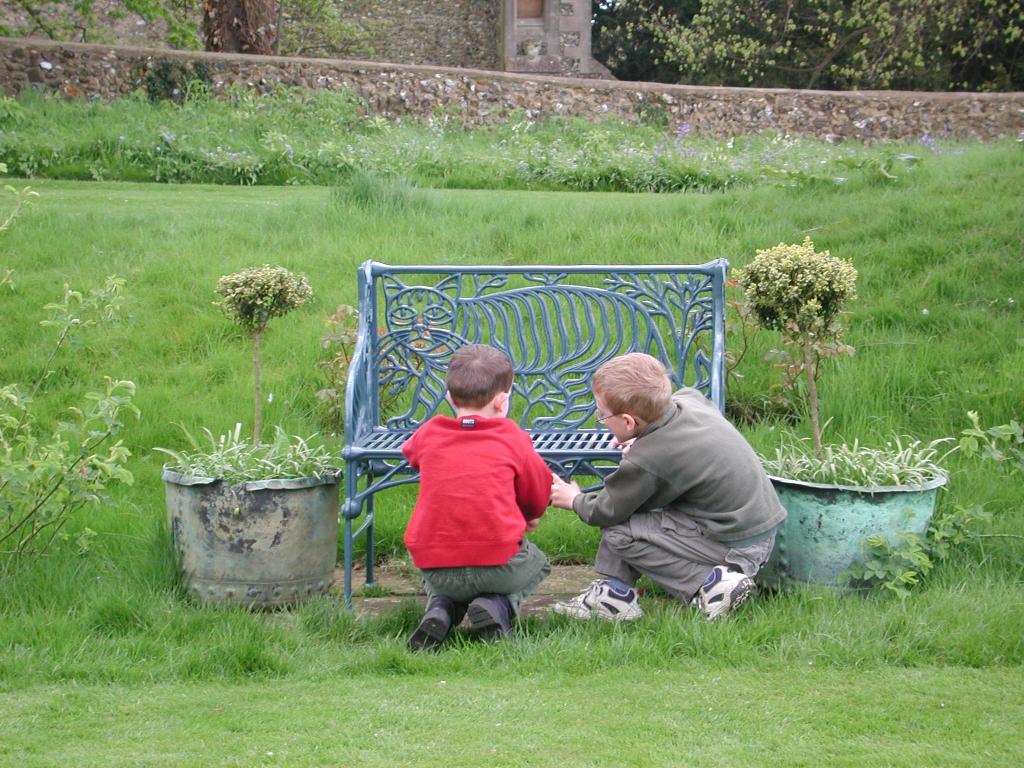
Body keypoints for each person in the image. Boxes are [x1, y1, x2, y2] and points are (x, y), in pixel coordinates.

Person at [549, 352, 786, 621]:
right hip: (757, 531)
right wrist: (642, 440)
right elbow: (671, 443)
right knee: (639, 514)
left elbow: (606, 510)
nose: (600, 419)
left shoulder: (650, 458)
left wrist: (574, 499)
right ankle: (614, 594)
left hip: (734, 546)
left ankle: (713, 583)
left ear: (628, 422)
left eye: (602, 415)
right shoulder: (689, 401)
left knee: (618, 530)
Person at [402, 344, 553, 650]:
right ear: (502, 401)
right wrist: (529, 516)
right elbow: (538, 494)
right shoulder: (512, 438)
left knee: (441, 577)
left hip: (437, 565)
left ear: (449, 397)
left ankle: (442, 608)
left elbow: (411, 453)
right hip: (499, 565)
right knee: (539, 563)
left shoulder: (429, 434)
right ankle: (497, 606)